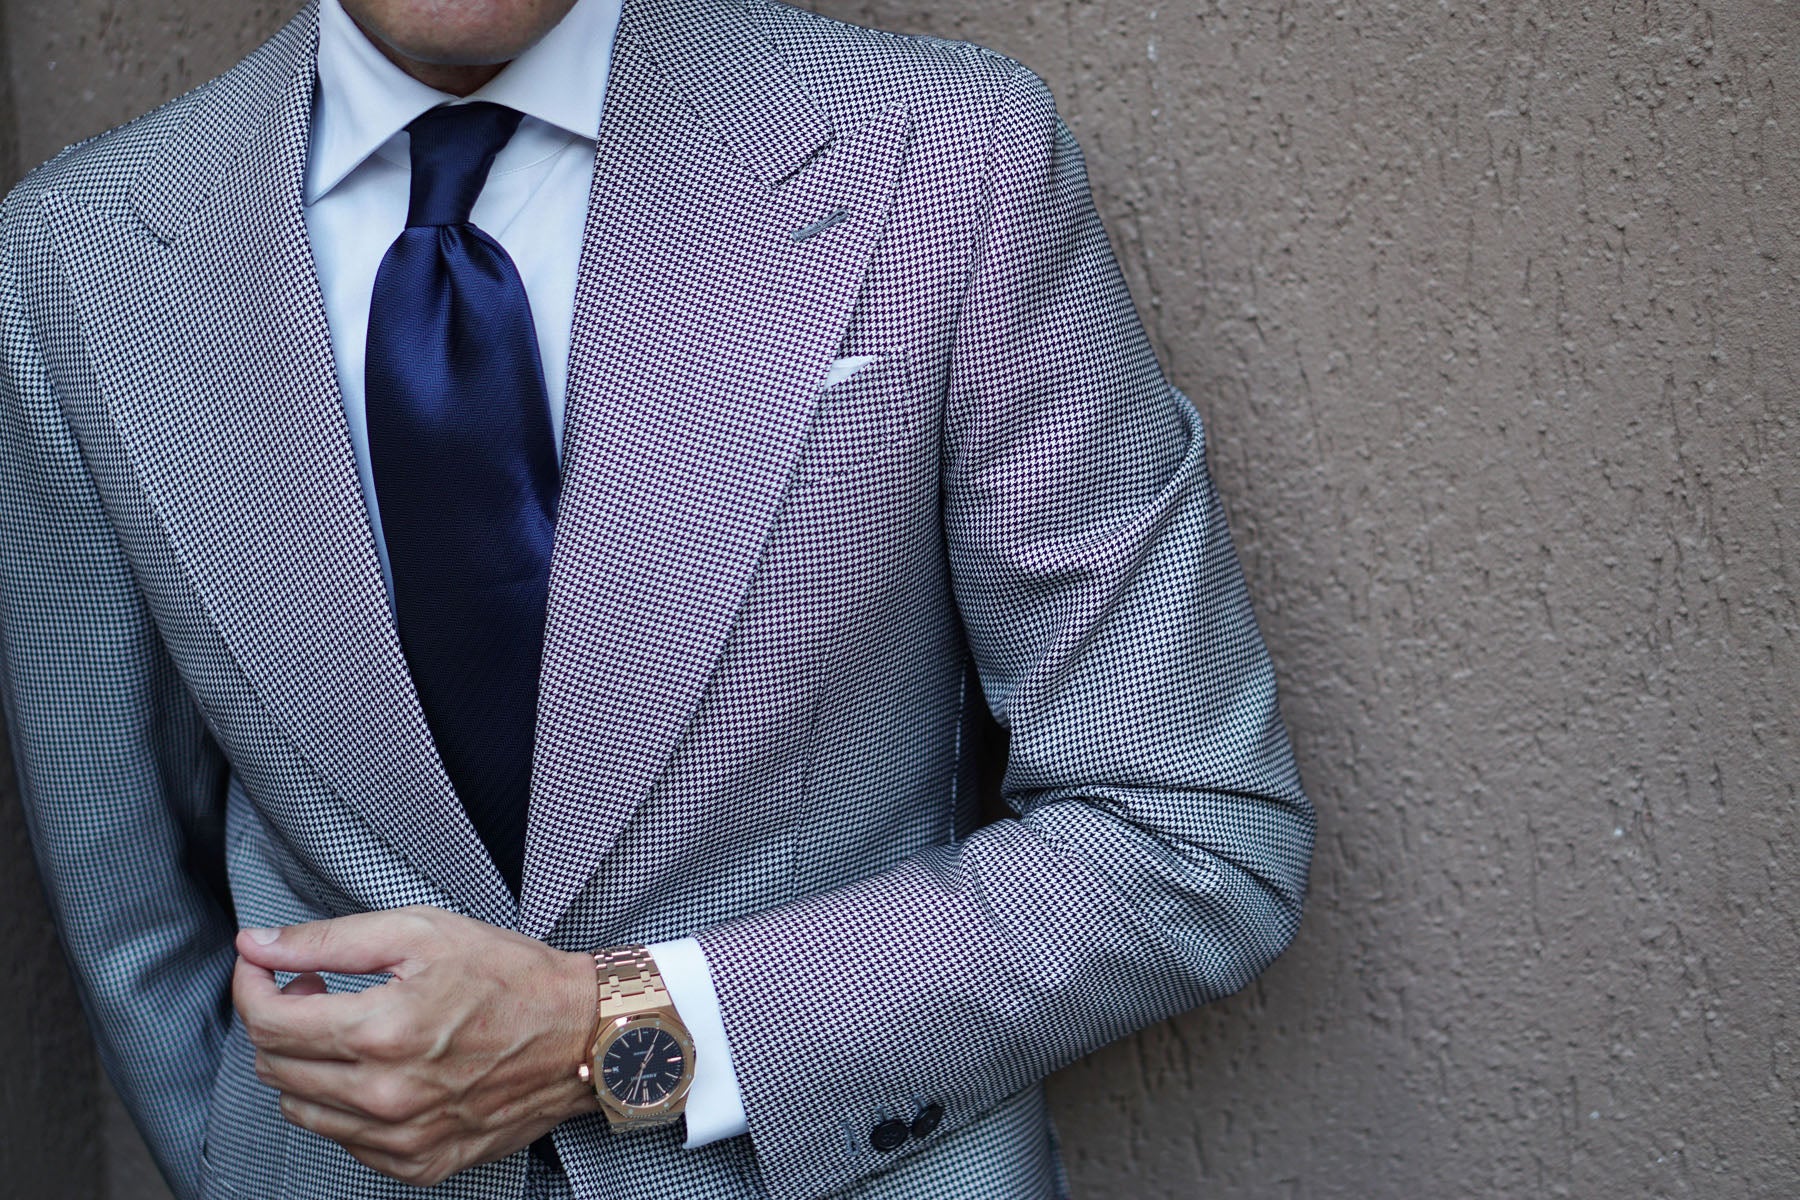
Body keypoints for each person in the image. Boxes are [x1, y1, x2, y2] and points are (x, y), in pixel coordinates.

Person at [0, 0, 1316, 1195]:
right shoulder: (75, 261)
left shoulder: (947, 159)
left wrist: (620, 1035)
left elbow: (1185, 836)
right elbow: (134, 917)